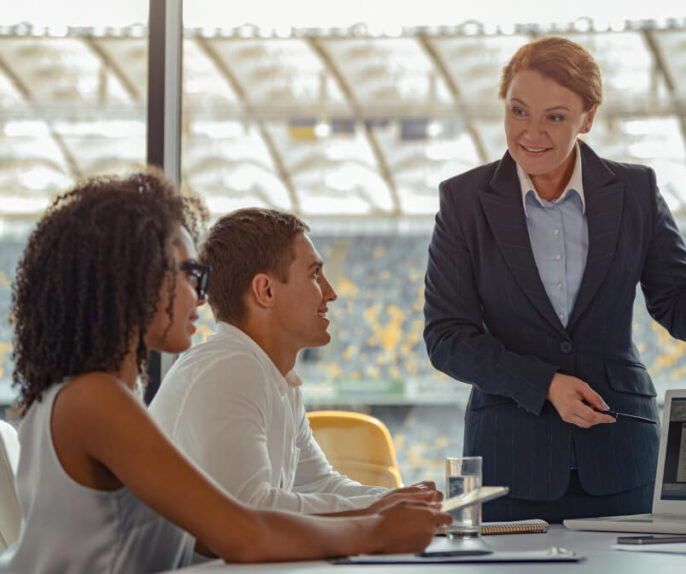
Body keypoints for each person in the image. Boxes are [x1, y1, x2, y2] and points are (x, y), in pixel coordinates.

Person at [0, 172, 448, 574]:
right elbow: (241, 532)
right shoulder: (94, 400)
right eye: (191, 273)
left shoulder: (97, 394)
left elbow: (222, 526)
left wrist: (384, 511)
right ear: (137, 278)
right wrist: (378, 530)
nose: (202, 297)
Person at [422, 37, 686, 522]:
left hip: (621, 455)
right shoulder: (463, 200)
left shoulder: (635, 191)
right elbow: (447, 337)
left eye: (555, 116)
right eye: (518, 111)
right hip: (510, 460)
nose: (531, 132)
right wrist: (544, 384)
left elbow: (680, 314)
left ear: (588, 118)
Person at [150, 208, 440, 525]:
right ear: (266, 291)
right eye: (315, 274)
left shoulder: (272, 375)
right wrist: (379, 511)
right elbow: (251, 509)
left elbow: (319, 484)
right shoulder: (232, 368)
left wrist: (398, 500)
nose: (331, 293)